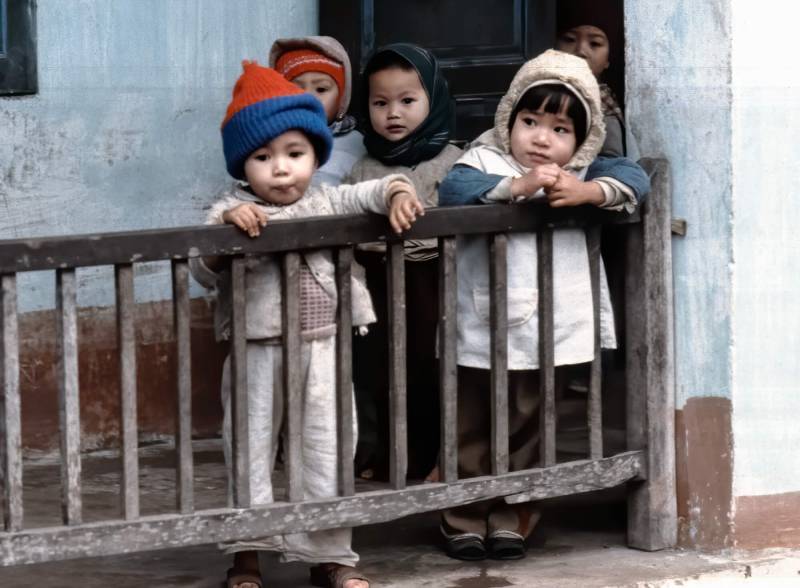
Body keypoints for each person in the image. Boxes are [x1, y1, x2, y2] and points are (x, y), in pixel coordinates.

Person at [190, 61, 423, 588]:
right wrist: (227, 233)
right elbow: (201, 268)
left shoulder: (326, 200)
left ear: (315, 156)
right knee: (249, 451)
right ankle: (247, 557)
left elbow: (375, 189)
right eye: (263, 157)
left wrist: (398, 195)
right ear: (241, 166)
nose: (280, 169)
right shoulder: (231, 211)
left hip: (323, 349)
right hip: (257, 351)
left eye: (295, 155)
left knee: (327, 448)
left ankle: (332, 557)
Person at [436, 49, 650, 561]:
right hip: (485, 321)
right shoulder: (484, 158)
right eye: (530, 121)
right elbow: (453, 189)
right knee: (472, 422)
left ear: (582, 140)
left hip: (547, 325)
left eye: (560, 129)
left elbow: (637, 179)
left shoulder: (582, 169)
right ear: (509, 118)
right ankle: (463, 514)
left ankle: (515, 513)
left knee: (531, 421)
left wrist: (590, 191)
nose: (541, 138)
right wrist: (516, 186)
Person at [346, 43, 463, 481]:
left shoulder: (454, 162)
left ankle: (438, 455)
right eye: (380, 103)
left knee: (430, 365)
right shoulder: (362, 169)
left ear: (433, 101)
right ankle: (386, 453)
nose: (393, 113)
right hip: (375, 279)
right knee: (379, 369)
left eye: (407, 101)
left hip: (432, 278)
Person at [269, 35, 366, 186]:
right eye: (294, 89)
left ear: (342, 98)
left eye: (321, 89)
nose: (309, 99)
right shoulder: (267, 141)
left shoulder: (358, 144)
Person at [554, 0, 638, 159]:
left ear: (607, 60)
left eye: (595, 43)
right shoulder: (538, 91)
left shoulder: (603, 107)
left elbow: (611, 162)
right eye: (570, 40)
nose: (580, 51)